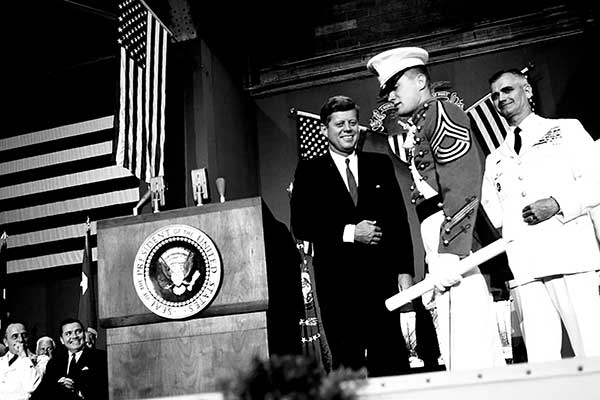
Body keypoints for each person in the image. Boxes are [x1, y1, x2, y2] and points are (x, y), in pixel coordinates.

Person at [366, 47, 506, 371]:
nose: (390, 98)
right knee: (454, 341)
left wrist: (449, 253)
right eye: (386, 92)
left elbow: (461, 184)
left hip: (455, 241)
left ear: (419, 81)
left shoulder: (442, 113)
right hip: (439, 243)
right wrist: (434, 259)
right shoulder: (418, 127)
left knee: (471, 340)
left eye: (395, 88)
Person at [481, 69, 600, 362]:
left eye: (508, 90)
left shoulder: (566, 130)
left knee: (592, 348)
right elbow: (493, 213)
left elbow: (595, 181)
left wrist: (557, 202)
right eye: (496, 95)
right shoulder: (496, 157)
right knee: (540, 360)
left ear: (528, 92)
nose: (501, 98)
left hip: (570, 256)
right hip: (526, 267)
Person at [290, 95, 413, 377]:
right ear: (324, 130)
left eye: (352, 123)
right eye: (339, 124)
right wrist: (350, 233)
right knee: (348, 364)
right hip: (337, 286)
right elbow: (301, 224)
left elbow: (398, 221)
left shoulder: (379, 164)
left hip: (381, 282)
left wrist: (405, 271)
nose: (347, 129)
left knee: (392, 360)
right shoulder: (309, 171)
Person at [36, 318, 108, 400]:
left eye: (78, 331)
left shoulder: (101, 357)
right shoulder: (54, 362)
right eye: (68, 333)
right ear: (62, 340)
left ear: (84, 335)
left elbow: (105, 391)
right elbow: (41, 393)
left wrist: (77, 390)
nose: (74, 336)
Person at [0, 320, 42, 400]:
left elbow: (31, 386)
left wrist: (23, 355)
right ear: (6, 342)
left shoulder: (39, 360)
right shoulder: (1, 362)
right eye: (15, 336)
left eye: (24, 335)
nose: (21, 340)